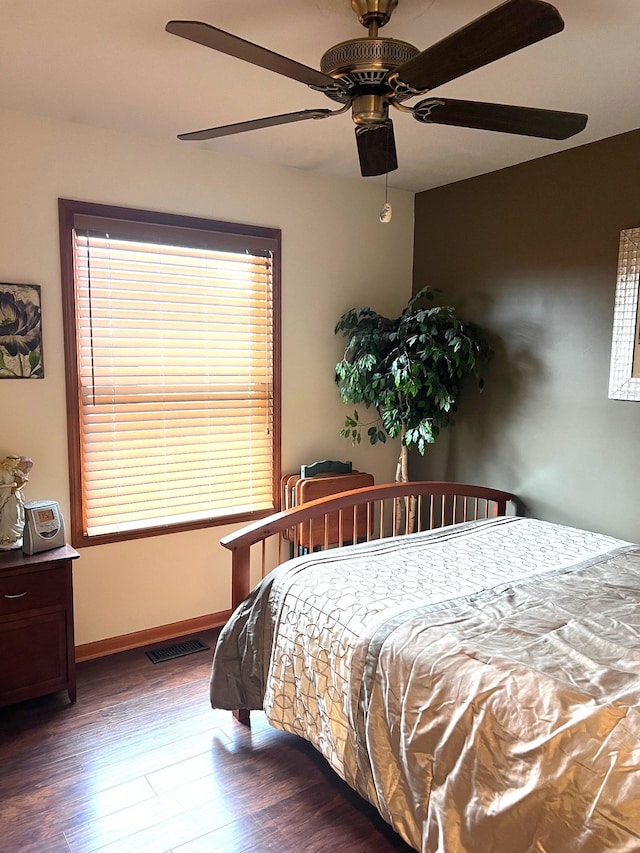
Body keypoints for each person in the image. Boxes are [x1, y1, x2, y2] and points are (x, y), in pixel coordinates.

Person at [0, 455, 33, 549]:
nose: (15, 465)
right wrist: (10, 485)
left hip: (15, 496)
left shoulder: (15, 472)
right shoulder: (2, 472)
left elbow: (24, 481)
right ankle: (5, 538)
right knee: (5, 515)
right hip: (5, 495)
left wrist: (18, 486)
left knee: (16, 514)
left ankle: (14, 537)